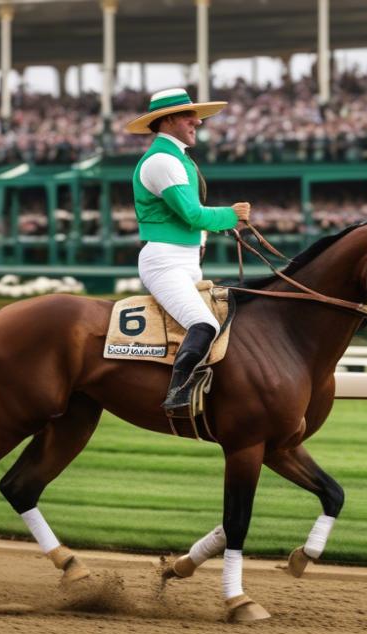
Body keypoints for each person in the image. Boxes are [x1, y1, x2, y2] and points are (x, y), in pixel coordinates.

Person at [125, 88, 250, 412]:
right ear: (167, 120)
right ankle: (177, 394)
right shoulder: (163, 160)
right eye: (188, 116)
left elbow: (190, 219)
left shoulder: (177, 158)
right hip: (165, 262)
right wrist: (231, 216)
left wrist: (223, 224)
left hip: (184, 261)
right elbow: (192, 215)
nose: (198, 121)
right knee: (204, 325)